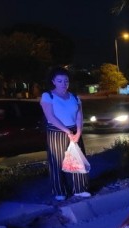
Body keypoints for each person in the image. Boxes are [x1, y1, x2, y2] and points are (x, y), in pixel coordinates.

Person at [40, 67, 90, 201]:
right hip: (57, 132)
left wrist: (78, 132)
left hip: (74, 131)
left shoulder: (74, 97)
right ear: (53, 81)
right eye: (60, 81)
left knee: (78, 160)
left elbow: (79, 115)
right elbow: (50, 117)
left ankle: (80, 189)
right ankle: (60, 191)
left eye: (66, 81)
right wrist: (67, 131)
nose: (63, 84)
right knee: (57, 162)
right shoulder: (48, 96)